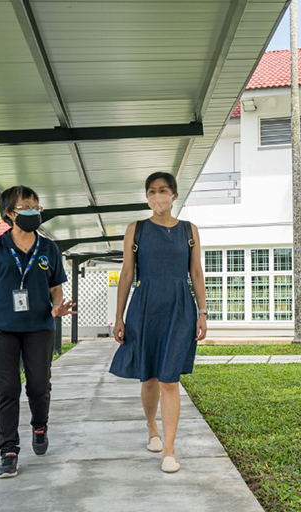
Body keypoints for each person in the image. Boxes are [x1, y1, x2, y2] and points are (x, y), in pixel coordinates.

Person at [0, 186, 76, 478]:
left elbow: (55, 288)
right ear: (9, 213)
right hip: (1, 329)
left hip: (39, 327)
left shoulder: (49, 249)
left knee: (39, 386)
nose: (33, 211)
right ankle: (9, 452)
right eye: (26, 206)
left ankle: (40, 426)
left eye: (36, 207)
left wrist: (57, 307)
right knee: (8, 390)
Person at [109, 172, 208, 473]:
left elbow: (196, 273)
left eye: (163, 191)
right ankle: (152, 427)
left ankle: (169, 449)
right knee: (150, 377)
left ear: (174, 195)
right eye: (151, 191)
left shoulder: (189, 230)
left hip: (180, 309)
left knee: (169, 379)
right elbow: (127, 274)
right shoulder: (136, 230)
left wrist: (203, 312)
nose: (157, 196)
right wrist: (119, 317)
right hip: (145, 307)